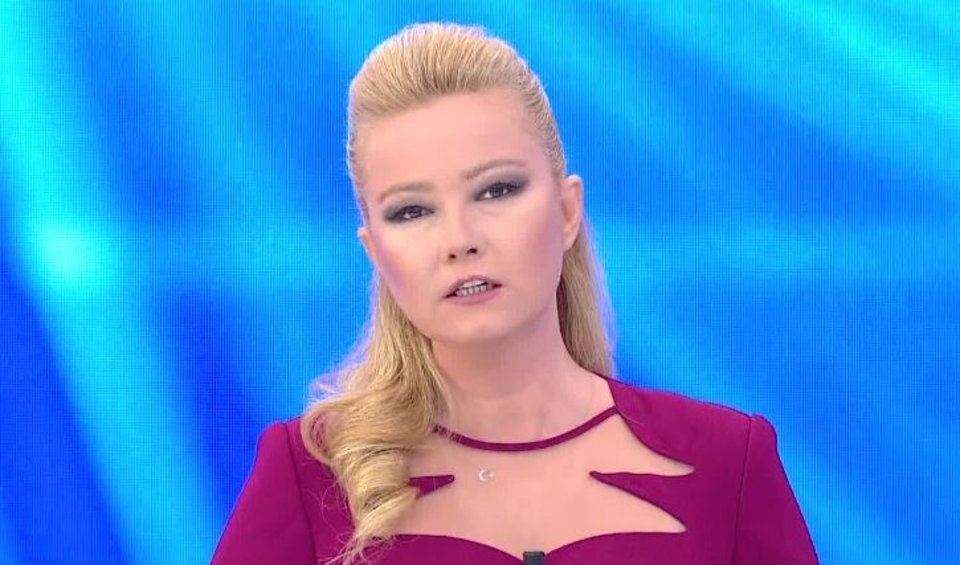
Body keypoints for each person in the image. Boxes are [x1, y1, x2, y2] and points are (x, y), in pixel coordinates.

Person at [212, 22, 818, 565]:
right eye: (412, 211)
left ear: (567, 210)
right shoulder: (310, 476)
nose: (459, 240)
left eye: (496, 190)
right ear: (375, 252)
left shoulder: (728, 463)